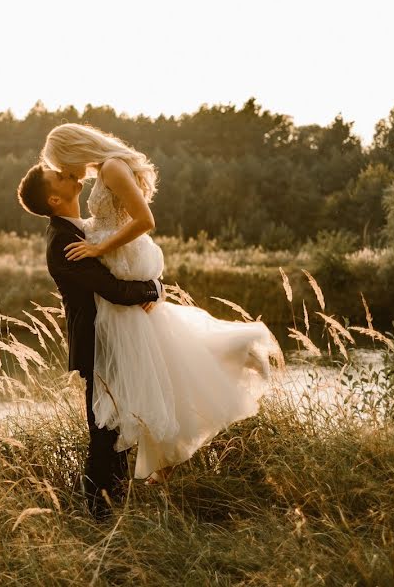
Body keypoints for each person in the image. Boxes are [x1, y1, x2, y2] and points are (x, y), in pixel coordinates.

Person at [39, 123, 281, 485]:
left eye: (62, 164)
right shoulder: (104, 171)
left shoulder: (112, 167)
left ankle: (234, 355)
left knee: (151, 368)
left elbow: (145, 220)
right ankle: (147, 465)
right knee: (160, 361)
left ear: (73, 149)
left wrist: (100, 248)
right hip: (118, 273)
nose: (67, 173)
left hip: (121, 265)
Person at [17, 162, 164, 519]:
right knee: (104, 433)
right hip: (99, 344)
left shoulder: (78, 229)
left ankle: (111, 511)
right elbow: (111, 289)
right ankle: (101, 518)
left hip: (111, 339)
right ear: (55, 198)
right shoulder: (63, 242)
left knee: (113, 429)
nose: (68, 173)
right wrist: (153, 288)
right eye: (59, 176)